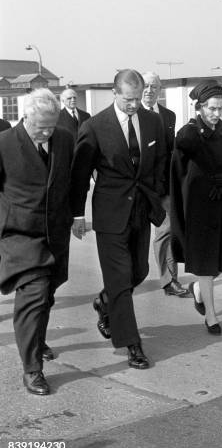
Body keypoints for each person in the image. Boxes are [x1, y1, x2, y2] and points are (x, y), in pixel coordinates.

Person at [71, 69, 166, 369]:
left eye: (137, 99)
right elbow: (79, 175)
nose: (134, 105)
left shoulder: (153, 122)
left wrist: (158, 197)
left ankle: (105, 301)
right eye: (128, 99)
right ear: (114, 93)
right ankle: (132, 344)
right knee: (120, 281)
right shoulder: (95, 126)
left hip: (141, 210)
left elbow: (160, 162)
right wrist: (77, 215)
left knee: (137, 271)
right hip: (110, 215)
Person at [0, 89, 73, 395]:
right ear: (25, 116)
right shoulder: (3, 145)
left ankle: (37, 340)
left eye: (51, 125)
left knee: (48, 293)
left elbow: (72, 180)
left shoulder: (65, 139)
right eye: (40, 126)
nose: (46, 132)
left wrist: (76, 216)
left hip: (55, 233)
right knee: (34, 295)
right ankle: (32, 370)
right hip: (19, 234)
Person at [170, 79, 222, 335]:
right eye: (211, 109)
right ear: (199, 107)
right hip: (198, 208)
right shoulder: (188, 134)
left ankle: (198, 289)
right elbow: (177, 170)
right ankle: (211, 315)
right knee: (204, 261)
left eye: (219, 109)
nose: (215, 114)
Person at [141, 72, 188, 297]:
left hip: (164, 186)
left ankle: (170, 280)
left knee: (166, 231)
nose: (149, 90)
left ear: (160, 90)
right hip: (140, 187)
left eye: (154, 87)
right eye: (146, 86)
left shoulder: (169, 116)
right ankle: (127, 280)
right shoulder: (133, 114)